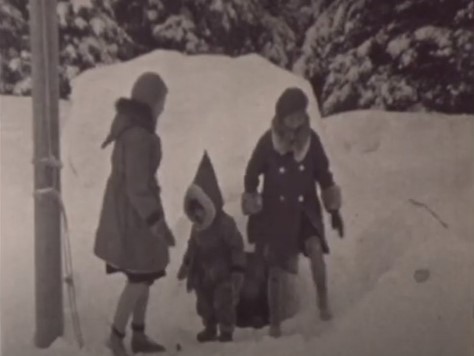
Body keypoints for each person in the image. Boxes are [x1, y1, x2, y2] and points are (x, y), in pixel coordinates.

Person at [242, 87, 344, 338]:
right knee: (276, 268)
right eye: (291, 116)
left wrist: (333, 209)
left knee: (316, 250)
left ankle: (323, 305)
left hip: (305, 210)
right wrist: (253, 200)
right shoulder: (268, 142)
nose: (296, 121)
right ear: (281, 117)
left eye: (300, 115)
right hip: (276, 214)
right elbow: (251, 173)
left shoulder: (312, 142)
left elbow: (324, 174)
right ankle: (275, 325)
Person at [94, 72, 175, 355]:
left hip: (135, 213)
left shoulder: (136, 128)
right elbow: (137, 186)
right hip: (134, 218)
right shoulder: (139, 136)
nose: (163, 107)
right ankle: (116, 337)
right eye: (161, 101)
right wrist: (155, 221)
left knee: (145, 275)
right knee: (138, 279)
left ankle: (138, 335)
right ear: (150, 101)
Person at [177, 152, 246, 343]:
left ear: (210, 204)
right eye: (194, 211)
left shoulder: (224, 223)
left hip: (222, 272)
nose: (197, 215)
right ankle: (209, 327)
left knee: (223, 301)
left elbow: (236, 246)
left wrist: (238, 269)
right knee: (204, 302)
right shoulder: (197, 228)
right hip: (203, 272)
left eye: (200, 209)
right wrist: (186, 264)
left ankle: (226, 329)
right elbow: (192, 246)